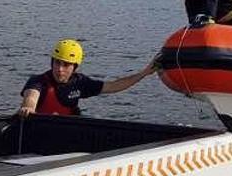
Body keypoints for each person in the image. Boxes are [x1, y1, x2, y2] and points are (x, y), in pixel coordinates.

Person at [17, 39, 158, 117]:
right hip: (40, 133)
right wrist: (28, 109)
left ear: (74, 67)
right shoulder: (38, 81)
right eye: (57, 63)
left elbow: (114, 86)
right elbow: (31, 98)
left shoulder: (80, 83)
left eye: (66, 65)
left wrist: (144, 73)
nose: (60, 69)